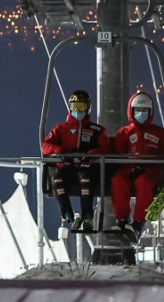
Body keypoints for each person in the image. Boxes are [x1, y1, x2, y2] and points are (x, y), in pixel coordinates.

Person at [111, 91, 164, 237]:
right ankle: (122, 219)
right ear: (131, 111)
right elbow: (116, 154)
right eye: (138, 110)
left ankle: (138, 222)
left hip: (150, 169)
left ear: (150, 112)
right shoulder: (125, 133)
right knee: (117, 181)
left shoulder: (159, 133)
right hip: (128, 169)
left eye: (144, 110)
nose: (141, 114)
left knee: (144, 183)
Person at [42, 90, 109, 231]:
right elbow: (46, 146)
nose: (77, 111)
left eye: (81, 107)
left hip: (88, 167)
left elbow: (105, 148)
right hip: (67, 166)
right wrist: (60, 151)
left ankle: (87, 216)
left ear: (88, 108)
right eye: (74, 107)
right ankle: (68, 215)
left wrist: (92, 154)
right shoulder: (60, 129)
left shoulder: (97, 130)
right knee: (57, 180)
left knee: (85, 179)